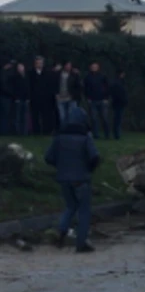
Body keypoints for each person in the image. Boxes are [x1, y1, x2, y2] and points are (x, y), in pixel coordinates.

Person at [43, 104, 100, 253]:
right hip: (81, 178)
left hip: (63, 178)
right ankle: (81, 243)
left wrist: (60, 166)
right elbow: (94, 157)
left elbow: (48, 158)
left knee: (70, 206)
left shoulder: (59, 137)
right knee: (84, 210)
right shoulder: (85, 137)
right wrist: (89, 170)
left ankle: (61, 231)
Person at [28, 56, 55, 134]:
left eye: (40, 63)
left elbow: (50, 85)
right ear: (34, 64)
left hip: (46, 98)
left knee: (46, 116)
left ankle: (46, 131)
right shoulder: (31, 73)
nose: (39, 64)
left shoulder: (48, 73)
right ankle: (36, 131)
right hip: (35, 98)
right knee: (35, 116)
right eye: (37, 63)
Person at [83, 62, 110, 139]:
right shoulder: (88, 77)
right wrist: (88, 98)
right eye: (92, 67)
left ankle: (107, 134)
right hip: (92, 100)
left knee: (104, 118)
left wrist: (106, 98)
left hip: (102, 100)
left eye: (95, 67)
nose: (94, 68)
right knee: (94, 119)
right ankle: (96, 134)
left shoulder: (102, 76)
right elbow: (86, 88)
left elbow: (107, 87)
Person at [10, 62, 29, 135]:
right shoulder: (15, 77)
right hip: (18, 99)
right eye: (19, 67)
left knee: (25, 117)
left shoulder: (27, 76)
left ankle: (24, 132)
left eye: (21, 67)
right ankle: (17, 132)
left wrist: (28, 98)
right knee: (17, 116)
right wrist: (16, 97)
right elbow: (14, 88)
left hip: (25, 99)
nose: (20, 68)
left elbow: (28, 87)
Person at [109, 69, 128, 140]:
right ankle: (117, 134)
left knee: (118, 118)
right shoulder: (117, 83)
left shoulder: (120, 82)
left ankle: (117, 133)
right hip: (118, 102)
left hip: (119, 102)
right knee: (118, 118)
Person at [0, 59, 14, 135]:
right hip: (5, 96)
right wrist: (11, 93)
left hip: (5, 96)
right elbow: (4, 86)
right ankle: (4, 131)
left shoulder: (4, 73)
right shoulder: (4, 73)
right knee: (5, 115)